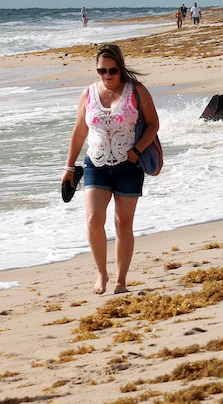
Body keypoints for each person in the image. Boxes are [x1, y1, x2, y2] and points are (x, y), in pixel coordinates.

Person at [61, 44, 159, 294]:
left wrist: (136, 152)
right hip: (95, 163)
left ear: (121, 67)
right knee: (94, 219)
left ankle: (121, 281)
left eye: (112, 70)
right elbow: (80, 131)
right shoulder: (89, 94)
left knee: (123, 224)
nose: (107, 76)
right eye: (101, 71)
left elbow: (152, 124)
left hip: (129, 165)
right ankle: (101, 274)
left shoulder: (136, 91)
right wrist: (69, 167)